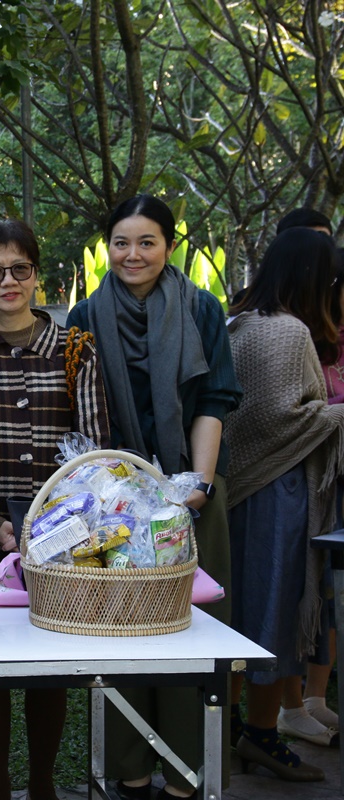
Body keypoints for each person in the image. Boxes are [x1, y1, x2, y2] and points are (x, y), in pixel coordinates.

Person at [67, 195, 242, 799]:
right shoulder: (84, 316)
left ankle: (188, 776)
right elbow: (83, 413)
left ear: (170, 246)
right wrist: (114, 493)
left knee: (190, 632)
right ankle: (130, 772)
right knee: (118, 631)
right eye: (121, 242)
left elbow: (215, 400)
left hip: (190, 494)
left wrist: (193, 486)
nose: (132, 254)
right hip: (111, 504)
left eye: (147, 241)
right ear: (106, 247)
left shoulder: (202, 309)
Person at [0, 219, 109, 800]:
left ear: (37, 274)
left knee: (50, 654)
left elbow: (92, 449)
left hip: (63, 523)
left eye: (21, 269)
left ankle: (42, 782)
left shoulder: (74, 348)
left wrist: (58, 523)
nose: (9, 281)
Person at [223, 228, 344, 782]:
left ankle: (225, 729)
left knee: (236, 612)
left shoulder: (241, 320)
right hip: (278, 490)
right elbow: (279, 418)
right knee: (271, 610)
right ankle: (263, 736)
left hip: (237, 490)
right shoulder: (290, 331)